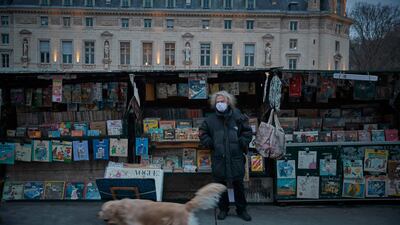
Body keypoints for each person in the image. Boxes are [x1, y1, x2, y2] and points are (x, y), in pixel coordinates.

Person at [199, 90, 253, 221]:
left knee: (238, 185)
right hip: (219, 159)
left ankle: (242, 209)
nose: (220, 104)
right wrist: (211, 143)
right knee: (220, 186)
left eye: (222, 101)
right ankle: (223, 209)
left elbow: (247, 131)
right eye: (217, 102)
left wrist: (241, 143)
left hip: (236, 158)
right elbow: (202, 133)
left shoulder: (238, 116)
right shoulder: (210, 120)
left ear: (228, 101)